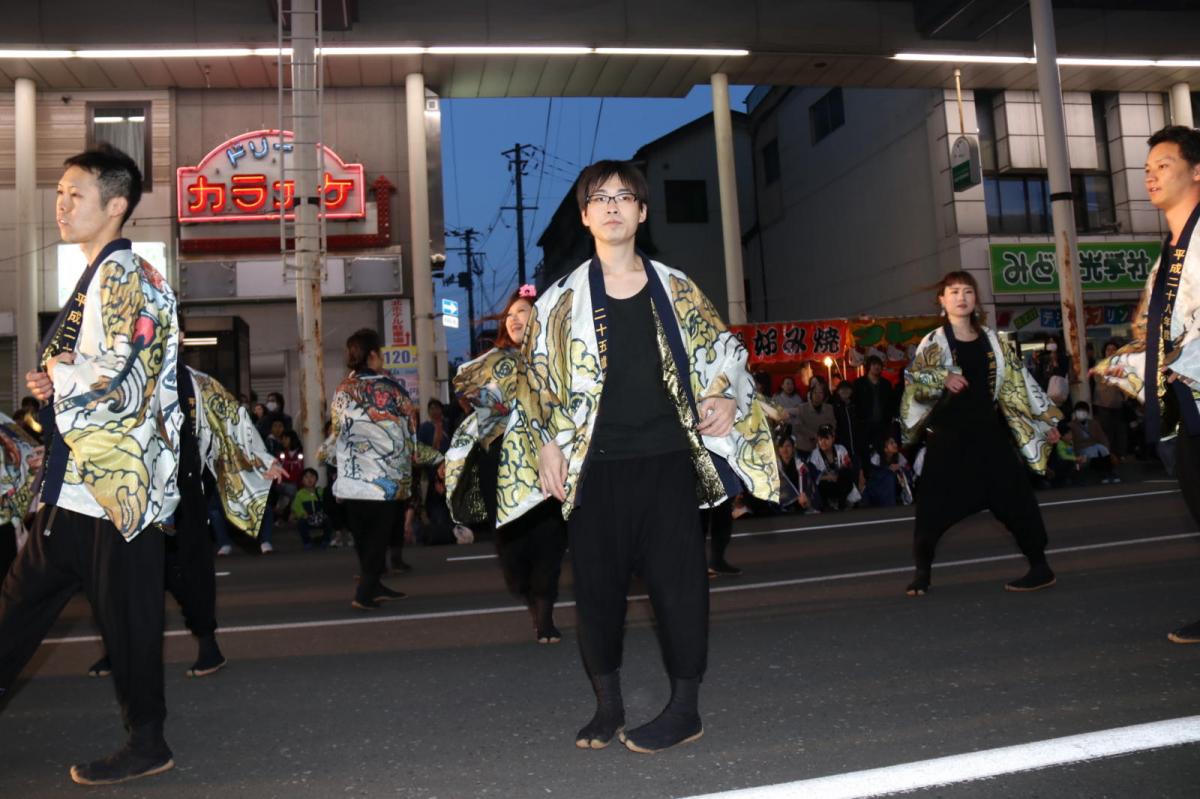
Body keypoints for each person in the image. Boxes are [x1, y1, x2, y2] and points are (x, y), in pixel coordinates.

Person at [500, 160, 777, 753]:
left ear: (642, 213)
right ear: (585, 216)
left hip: (670, 458)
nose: (613, 207)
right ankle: (608, 706)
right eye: (600, 198)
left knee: (679, 586)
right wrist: (546, 443)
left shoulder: (676, 287)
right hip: (594, 467)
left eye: (626, 197)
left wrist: (723, 396)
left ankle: (685, 708)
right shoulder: (559, 301)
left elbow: (725, 350)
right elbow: (534, 381)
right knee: (597, 590)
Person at [0, 145, 181, 785]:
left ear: (117, 205)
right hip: (78, 488)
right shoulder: (96, 278)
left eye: (76, 193)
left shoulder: (126, 275)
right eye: (59, 192)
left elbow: (130, 370)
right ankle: (147, 738)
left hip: (116, 490)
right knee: (15, 611)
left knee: (129, 626)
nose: (61, 203)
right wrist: (58, 381)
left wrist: (60, 372)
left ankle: (148, 743)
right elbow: (98, 371)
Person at [87, 365, 284, 681]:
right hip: (132, 494)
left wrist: (261, 460)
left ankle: (208, 645)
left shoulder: (194, 382)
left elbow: (231, 419)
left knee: (188, 572)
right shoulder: (120, 369)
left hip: (183, 492)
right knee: (120, 575)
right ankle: (118, 649)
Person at [1091, 125, 1200, 644]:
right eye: (1148, 168)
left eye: (1164, 164)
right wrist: (1128, 360)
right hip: (1182, 405)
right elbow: (1154, 330)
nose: (1150, 175)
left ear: (1197, 170)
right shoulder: (1169, 251)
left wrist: (1184, 355)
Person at [900, 270, 1062, 598]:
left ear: (975, 300)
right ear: (942, 301)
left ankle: (1040, 566)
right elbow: (913, 381)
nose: (961, 297)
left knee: (1017, 498)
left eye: (968, 292)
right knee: (933, 506)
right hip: (948, 439)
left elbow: (1019, 384)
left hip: (989, 435)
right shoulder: (934, 342)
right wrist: (941, 378)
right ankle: (922, 572)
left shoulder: (995, 340)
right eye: (954, 292)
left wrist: (1046, 423)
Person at [446, 285, 569, 643]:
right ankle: (531, 597)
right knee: (513, 550)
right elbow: (470, 394)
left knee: (549, 539)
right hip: (499, 464)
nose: (515, 320)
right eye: (510, 315)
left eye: (523, 313)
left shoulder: (557, 357)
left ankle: (544, 613)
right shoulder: (493, 361)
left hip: (547, 460)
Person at [328, 328, 443, 610]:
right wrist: (438, 459)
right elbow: (410, 441)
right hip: (384, 482)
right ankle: (364, 593)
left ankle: (375, 585)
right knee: (378, 539)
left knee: (365, 539)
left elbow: (337, 434)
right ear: (373, 355)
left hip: (352, 479)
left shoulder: (341, 390)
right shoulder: (393, 390)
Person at [854, 355, 898, 454]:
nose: (877, 367)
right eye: (874, 364)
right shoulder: (859, 383)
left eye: (879, 365)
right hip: (864, 425)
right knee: (865, 452)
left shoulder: (886, 384)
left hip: (882, 425)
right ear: (869, 366)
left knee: (882, 451)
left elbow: (891, 403)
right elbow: (855, 403)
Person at [1093, 339, 1129, 459]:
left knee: (1120, 430)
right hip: (1103, 403)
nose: (1111, 351)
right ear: (1104, 352)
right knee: (1106, 430)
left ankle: (1120, 454)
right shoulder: (1100, 364)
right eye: (1108, 349)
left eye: (1114, 349)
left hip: (1118, 403)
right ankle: (1109, 454)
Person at [807, 424, 856, 511]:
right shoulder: (815, 454)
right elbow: (813, 475)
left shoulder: (841, 449)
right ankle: (826, 505)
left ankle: (842, 503)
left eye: (826, 438)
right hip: (826, 485)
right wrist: (828, 477)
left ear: (833, 438)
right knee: (821, 485)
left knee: (846, 474)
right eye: (820, 439)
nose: (823, 442)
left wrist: (841, 470)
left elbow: (848, 465)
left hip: (840, 483)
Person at [1069, 401, 1119, 483]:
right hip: (1081, 448)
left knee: (1102, 449)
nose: (1081, 413)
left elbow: (1102, 437)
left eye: (1083, 410)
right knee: (1095, 451)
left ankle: (1109, 471)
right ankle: (1103, 473)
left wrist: (1107, 448)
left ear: (1087, 412)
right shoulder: (1071, 425)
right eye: (1078, 411)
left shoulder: (1094, 423)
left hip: (1094, 445)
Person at [864, 435, 914, 507]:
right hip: (878, 486)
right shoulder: (877, 457)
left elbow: (908, 470)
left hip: (895, 485)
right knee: (888, 476)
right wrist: (887, 469)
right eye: (891, 443)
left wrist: (900, 468)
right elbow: (873, 474)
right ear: (885, 448)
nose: (895, 445)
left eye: (895, 442)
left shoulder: (899, 456)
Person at [292, 468, 334, 548]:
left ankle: (326, 541)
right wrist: (303, 514)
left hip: (320, 517)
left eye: (312, 476)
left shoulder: (320, 491)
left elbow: (327, 503)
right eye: (306, 477)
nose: (309, 479)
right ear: (302, 480)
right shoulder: (300, 494)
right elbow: (296, 506)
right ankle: (307, 542)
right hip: (307, 517)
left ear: (316, 479)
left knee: (328, 521)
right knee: (301, 523)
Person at [794, 380, 835, 458]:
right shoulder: (802, 408)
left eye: (820, 393)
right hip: (805, 447)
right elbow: (798, 426)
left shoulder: (829, 408)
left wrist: (824, 436)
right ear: (810, 394)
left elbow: (832, 424)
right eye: (815, 393)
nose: (818, 395)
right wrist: (815, 435)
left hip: (824, 446)